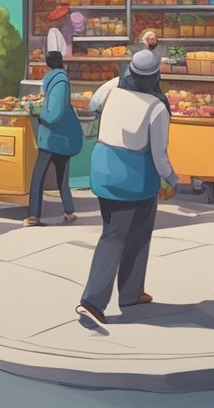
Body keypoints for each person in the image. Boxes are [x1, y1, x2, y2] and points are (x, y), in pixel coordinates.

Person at [76, 50, 178, 328]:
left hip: (103, 167)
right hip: (134, 178)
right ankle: (92, 301)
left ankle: (132, 292)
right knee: (122, 235)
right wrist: (172, 178)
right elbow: (159, 155)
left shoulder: (111, 87)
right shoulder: (157, 107)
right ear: (156, 76)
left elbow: (93, 105)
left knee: (128, 231)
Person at [26, 51, 83, 227]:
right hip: (63, 138)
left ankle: (34, 216)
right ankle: (69, 211)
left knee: (38, 178)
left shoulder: (58, 82)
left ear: (47, 65)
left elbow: (54, 114)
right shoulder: (61, 80)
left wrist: (38, 113)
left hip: (53, 138)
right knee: (62, 177)